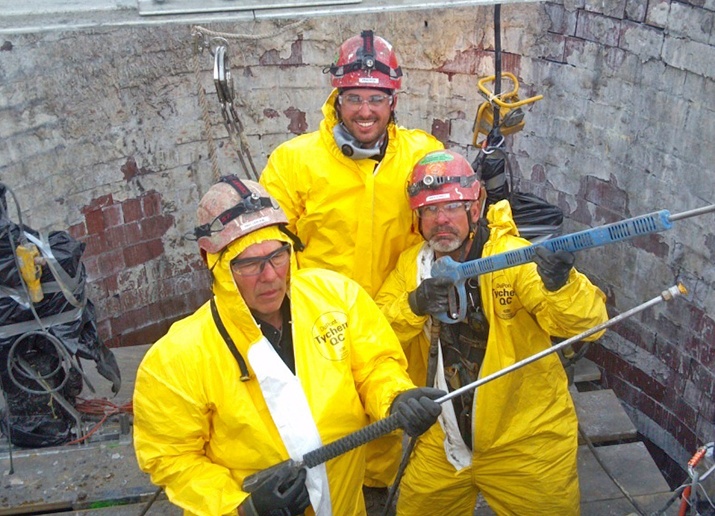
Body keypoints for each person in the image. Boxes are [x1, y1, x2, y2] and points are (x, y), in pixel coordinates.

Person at [132, 176, 445, 516]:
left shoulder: (335, 297)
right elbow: (170, 456)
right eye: (249, 264)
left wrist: (397, 397)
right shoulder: (176, 358)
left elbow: (373, 366)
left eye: (277, 256)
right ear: (216, 265)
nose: (269, 276)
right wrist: (240, 507)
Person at [375, 149, 609, 515]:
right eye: (430, 210)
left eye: (452, 207)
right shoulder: (413, 265)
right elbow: (376, 331)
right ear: (417, 218)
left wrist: (561, 285)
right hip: (444, 440)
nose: (441, 221)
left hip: (526, 441)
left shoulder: (513, 259)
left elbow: (588, 325)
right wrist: (415, 303)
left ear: (475, 208)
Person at [259, 28, 444, 490]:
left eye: (377, 99)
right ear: (336, 98)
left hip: (399, 319)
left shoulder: (420, 156)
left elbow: (456, 212)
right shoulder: (294, 162)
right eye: (355, 98)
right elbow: (267, 244)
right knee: (328, 423)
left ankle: (376, 494)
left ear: (393, 102)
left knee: (388, 419)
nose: (365, 111)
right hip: (320, 326)